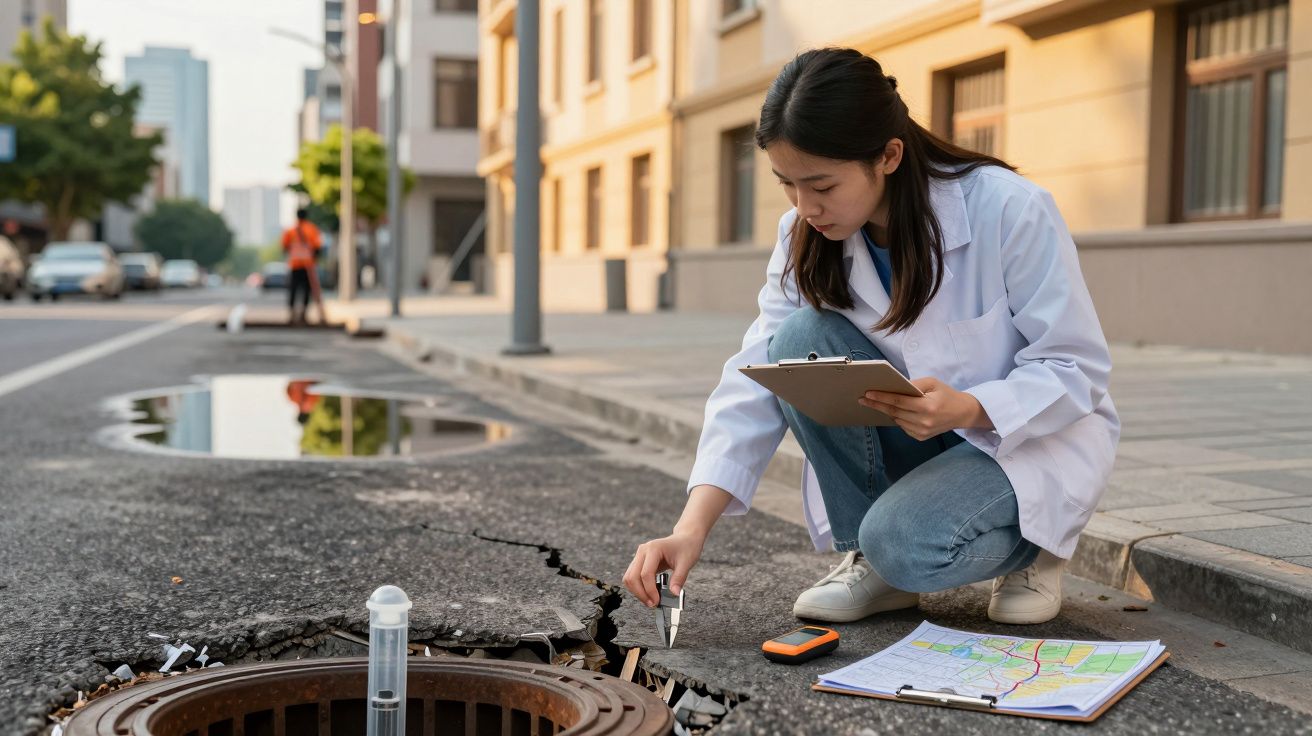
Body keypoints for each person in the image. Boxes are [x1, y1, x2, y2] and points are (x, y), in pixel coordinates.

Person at [623, 48, 1118, 627]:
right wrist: (690, 529)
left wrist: (970, 406)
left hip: (1022, 441)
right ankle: (877, 567)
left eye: (822, 185)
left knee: (906, 544)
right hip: (920, 433)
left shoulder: (1008, 209)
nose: (806, 207)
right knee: (796, 343)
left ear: (888, 155)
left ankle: (1036, 547)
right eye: (787, 184)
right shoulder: (803, 233)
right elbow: (755, 374)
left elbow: (1075, 366)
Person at [281, 208, 323, 324]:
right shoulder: (312, 229)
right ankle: (303, 314)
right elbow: (317, 247)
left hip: (295, 265)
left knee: (293, 290)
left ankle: (291, 314)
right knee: (306, 290)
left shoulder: (290, 230)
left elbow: (284, 247)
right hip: (308, 266)